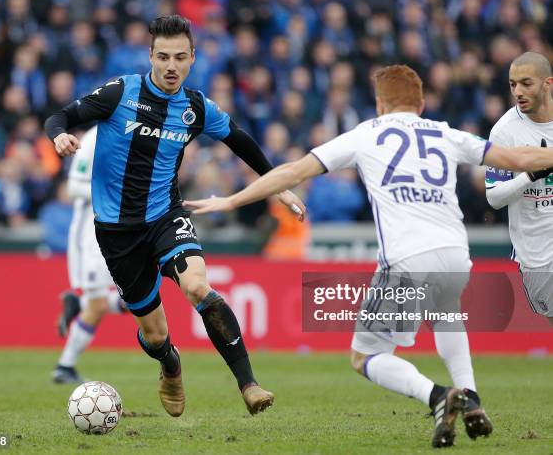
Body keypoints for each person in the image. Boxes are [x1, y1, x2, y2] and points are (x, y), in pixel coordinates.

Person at [184, 65, 553, 447]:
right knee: (446, 315)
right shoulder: (444, 132)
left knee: (365, 357)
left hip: (407, 258)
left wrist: (231, 199)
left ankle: (439, 396)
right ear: (421, 103)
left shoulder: (367, 135)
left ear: (379, 105)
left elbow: (294, 172)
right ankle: (472, 397)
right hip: (456, 254)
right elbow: (519, 159)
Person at [44, 15, 304, 417]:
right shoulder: (121, 92)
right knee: (154, 333)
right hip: (116, 232)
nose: (171, 66)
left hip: (166, 215)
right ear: (150, 56)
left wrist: (278, 184)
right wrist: (59, 134)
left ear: (192, 58)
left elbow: (242, 143)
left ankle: (249, 384)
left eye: (180, 57)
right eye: (163, 56)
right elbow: (60, 116)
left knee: (199, 286)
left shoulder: (197, 107)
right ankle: (170, 363)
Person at [52, 126, 128, 384]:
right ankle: (64, 367)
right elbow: (73, 187)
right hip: (92, 233)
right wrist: (119, 196)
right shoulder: (95, 137)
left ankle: (77, 305)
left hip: (123, 232)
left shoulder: (138, 131)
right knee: (98, 304)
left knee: (134, 301)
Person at [485, 52, 553, 325]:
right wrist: (531, 175)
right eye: (513, 84)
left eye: (526, 83)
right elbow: (494, 197)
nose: (518, 92)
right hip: (536, 252)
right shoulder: (504, 132)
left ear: (548, 84)